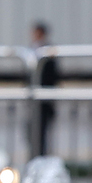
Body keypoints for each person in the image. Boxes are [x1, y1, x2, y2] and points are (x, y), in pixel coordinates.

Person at [31, 21, 59, 155]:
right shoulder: (32, 50)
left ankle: (41, 156)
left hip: (44, 98)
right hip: (33, 98)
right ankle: (35, 154)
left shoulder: (48, 52)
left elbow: (53, 75)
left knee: (43, 131)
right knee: (32, 130)